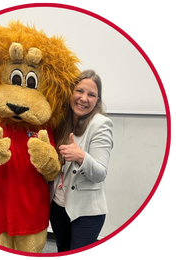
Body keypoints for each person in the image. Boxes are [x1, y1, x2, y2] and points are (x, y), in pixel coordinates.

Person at [50, 70, 114, 252]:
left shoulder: (101, 124)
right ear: (71, 92)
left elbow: (100, 173)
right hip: (58, 206)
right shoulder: (62, 122)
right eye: (79, 91)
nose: (84, 98)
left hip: (86, 211)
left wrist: (81, 157)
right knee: (62, 250)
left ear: (97, 100)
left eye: (91, 94)